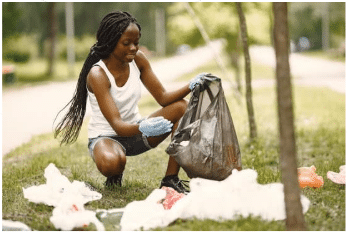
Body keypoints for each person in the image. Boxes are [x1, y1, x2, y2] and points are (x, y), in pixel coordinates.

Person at [54, 11, 203, 194]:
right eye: (126, 43)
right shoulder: (98, 75)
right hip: (106, 137)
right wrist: (145, 128)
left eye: (136, 42)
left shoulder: (138, 60)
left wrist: (192, 85)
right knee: (112, 163)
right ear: (110, 42)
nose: (133, 48)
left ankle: (170, 179)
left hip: (136, 133)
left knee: (182, 107)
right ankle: (115, 173)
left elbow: (163, 97)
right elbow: (117, 125)